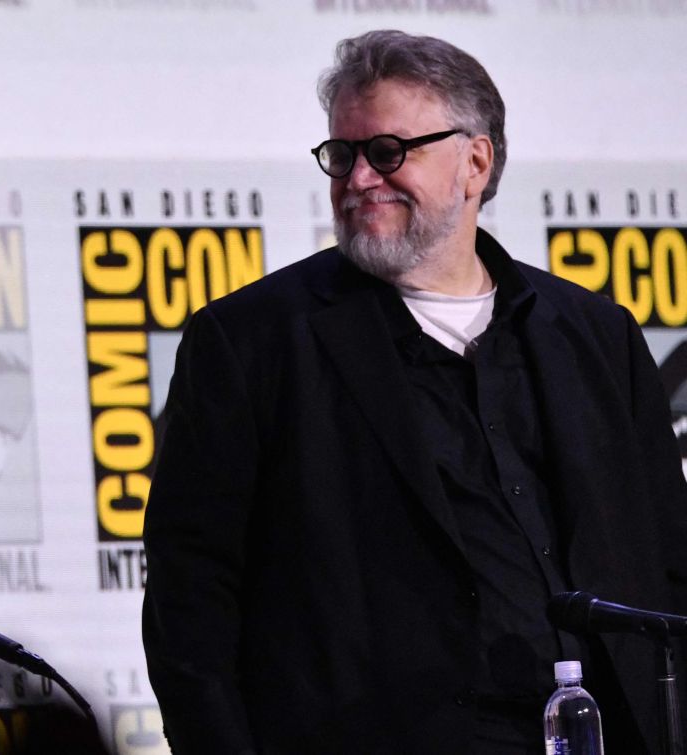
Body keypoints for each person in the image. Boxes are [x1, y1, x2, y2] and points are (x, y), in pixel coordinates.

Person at [142, 30, 687, 754]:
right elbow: (191, 601)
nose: (359, 178)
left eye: (389, 152)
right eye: (343, 155)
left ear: (475, 161)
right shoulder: (251, 342)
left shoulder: (597, 335)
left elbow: (667, 559)